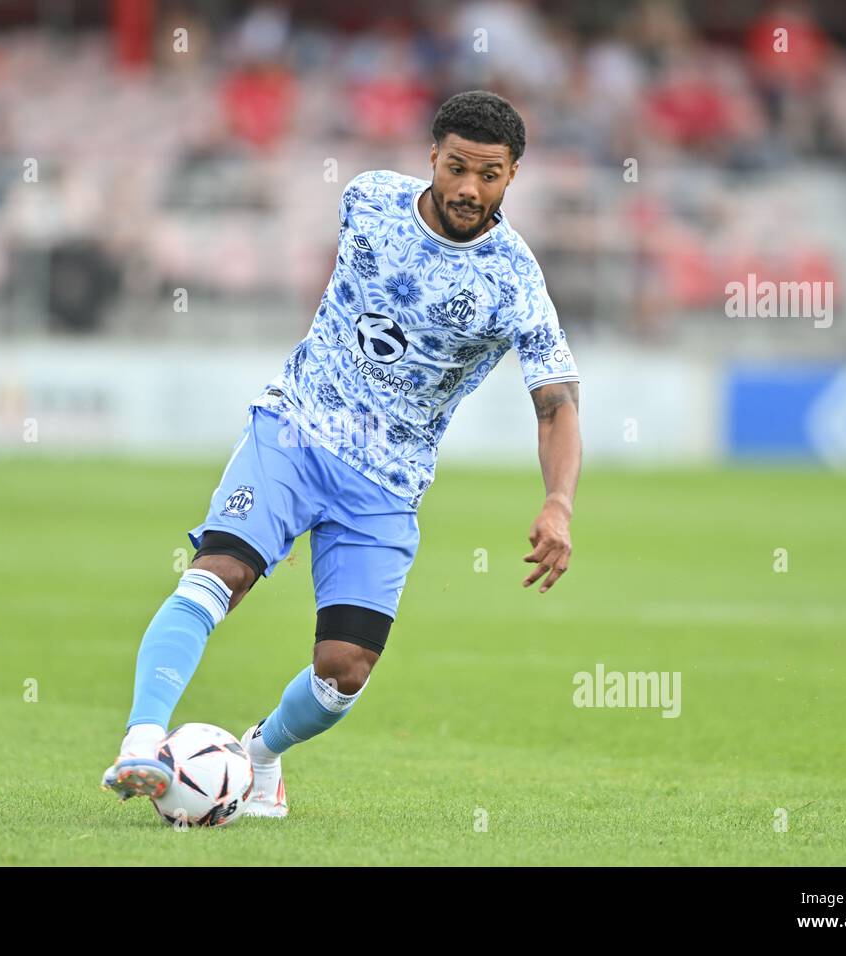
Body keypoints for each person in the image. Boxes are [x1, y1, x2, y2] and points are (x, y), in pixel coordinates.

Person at [102, 91, 582, 819]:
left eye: (489, 174)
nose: (467, 188)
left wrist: (559, 502)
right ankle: (141, 742)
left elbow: (557, 404)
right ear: (431, 157)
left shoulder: (516, 283)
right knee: (221, 572)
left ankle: (259, 757)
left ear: (513, 175)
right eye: (456, 167)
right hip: (294, 430)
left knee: (345, 671)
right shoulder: (368, 199)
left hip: (387, 483)